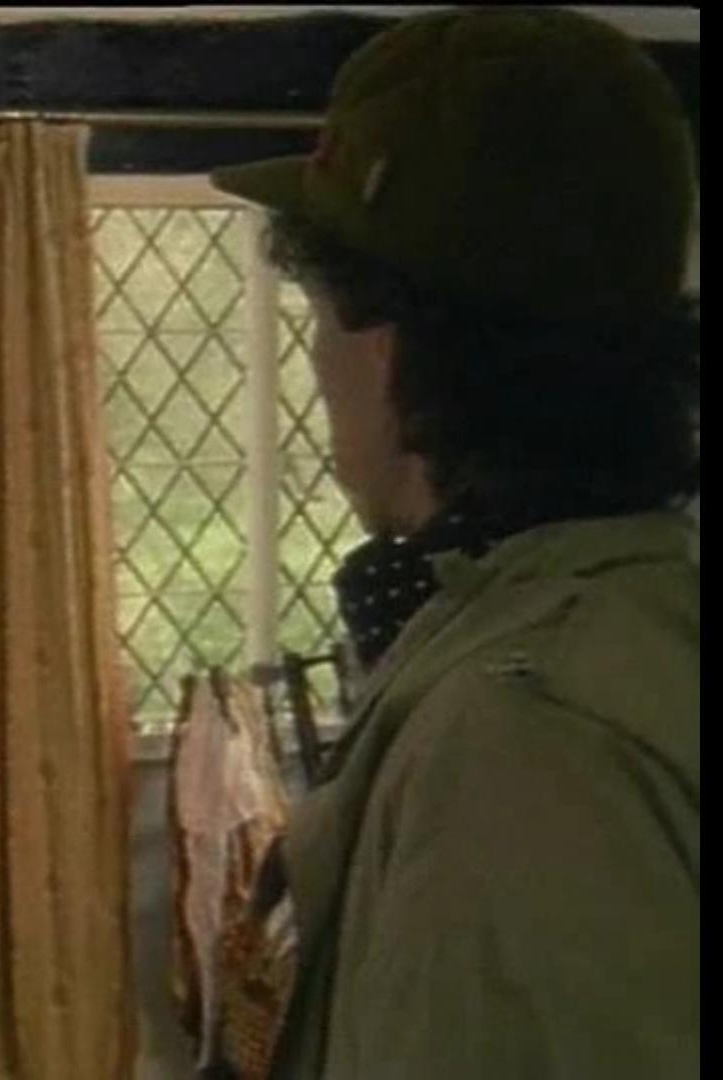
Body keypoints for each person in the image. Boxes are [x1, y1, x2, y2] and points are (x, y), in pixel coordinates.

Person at [207, 8, 698, 1078]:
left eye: (320, 316)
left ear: (389, 346)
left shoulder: (524, 740)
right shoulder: (608, 614)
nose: (318, 363)